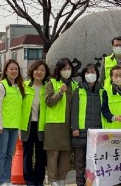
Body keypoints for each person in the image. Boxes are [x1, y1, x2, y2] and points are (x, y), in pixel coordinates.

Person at [43, 58, 78, 186]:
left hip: (70, 124)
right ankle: (52, 179)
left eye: (69, 68)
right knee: (53, 153)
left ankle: (62, 179)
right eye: (64, 69)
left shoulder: (74, 84)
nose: (67, 71)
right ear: (58, 70)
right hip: (54, 123)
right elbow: (48, 102)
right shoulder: (51, 83)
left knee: (66, 153)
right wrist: (60, 93)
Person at [0, 59, 25, 186]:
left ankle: (8, 180)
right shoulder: (1, 86)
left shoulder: (18, 87)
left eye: (16, 69)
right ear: (6, 71)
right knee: (0, 155)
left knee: (9, 155)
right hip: (3, 127)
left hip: (14, 126)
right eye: (11, 68)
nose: (14, 71)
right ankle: (1, 181)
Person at [71, 64, 103, 186]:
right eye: (88, 72)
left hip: (97, 133)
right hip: (81, 131)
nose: (91, 74)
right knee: (80, 162)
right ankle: (80, 183)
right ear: (84, 75)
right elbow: (74, 111)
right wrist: (75, 128)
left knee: (96, 161)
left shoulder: (102, 90)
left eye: (93, 72)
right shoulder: (78, 91)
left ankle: (93, 183)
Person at [20, 60, 50, 186]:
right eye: (37, 69)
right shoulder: (24, 86)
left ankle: (39, 180)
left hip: (41, 125)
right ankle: (29, 181)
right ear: (32, 71)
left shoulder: (48, 87)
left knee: (40, 154)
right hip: (27, 125)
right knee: (27, 153)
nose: (39, 72)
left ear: (46, 73)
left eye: (42, 70)